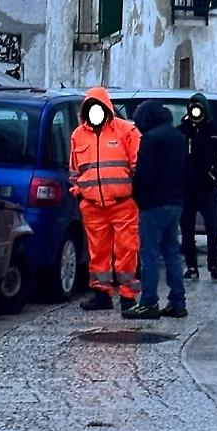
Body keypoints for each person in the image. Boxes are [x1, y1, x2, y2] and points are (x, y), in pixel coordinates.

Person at [69, 87, 141, 313]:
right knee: (97, 254)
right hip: (92, 206)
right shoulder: (78, 135)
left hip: (123, 203)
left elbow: (138, 166)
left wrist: (137, 195)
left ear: (106, 108)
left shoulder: (127, 131)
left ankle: (128, 297)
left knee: (127, 251)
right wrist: (78, 193)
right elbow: (73, 170)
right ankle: (102, 294)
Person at [125, 101, 188, 320]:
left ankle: (148, 302)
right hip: (175, 201)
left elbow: (144, 175)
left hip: (153, 204)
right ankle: (177, 302)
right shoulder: (176, 136)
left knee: (149, 255)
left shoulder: (151, 139)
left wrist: (137, 196)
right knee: (172, 253)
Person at [179, 93, 217, 281]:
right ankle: (192, 266)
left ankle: (213, 263)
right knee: (187, 230)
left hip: (208, 189)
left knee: (213, 228)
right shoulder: (183, 131)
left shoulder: (216, 132)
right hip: (186, 190)